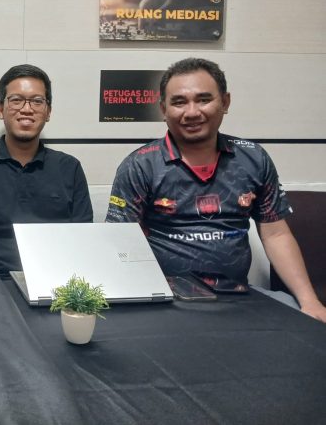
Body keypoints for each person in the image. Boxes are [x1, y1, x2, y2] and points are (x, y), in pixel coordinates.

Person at [105, 57, 326, 322]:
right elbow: (120, 241)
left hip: (240, 296)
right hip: (164, 301)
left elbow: (276, 234)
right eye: (179, 102)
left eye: (203, 99)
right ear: (163, 109)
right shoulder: (140, 165)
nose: (191, 112)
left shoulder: (253, 158)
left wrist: (310, 302)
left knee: (301, 323)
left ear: (225, 102)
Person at [0, 64, 93, 278]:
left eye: (37, 101)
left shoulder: (70, 168)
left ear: (48, 112)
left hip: (56, 282)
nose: (27, 109)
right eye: (16, 100)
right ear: (0, 109)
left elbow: (82, 240)